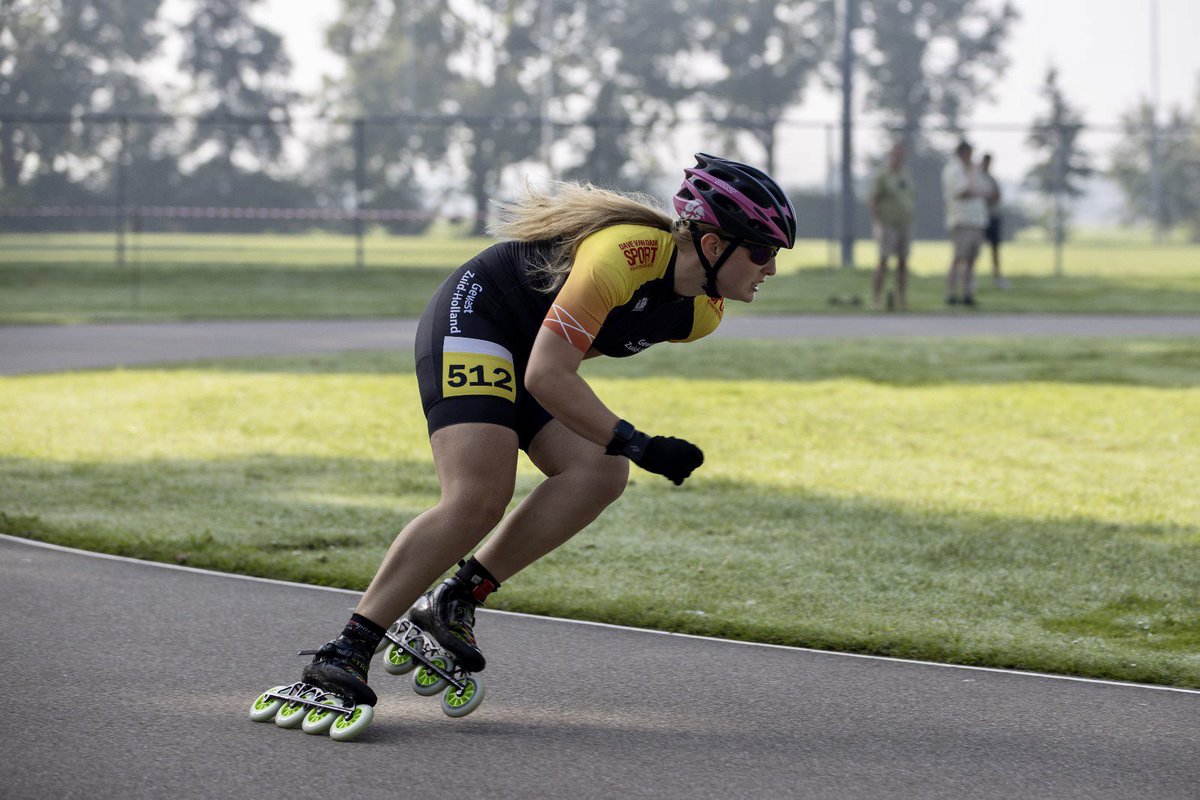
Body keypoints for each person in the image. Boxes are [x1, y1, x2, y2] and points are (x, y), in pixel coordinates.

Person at [296, 153, 798, 709]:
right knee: (479, 495)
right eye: (762, 251)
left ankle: (458, 597)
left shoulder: (701, 315)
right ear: (711, 245)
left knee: (600, 471)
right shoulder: (622, 255)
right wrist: (639, 441)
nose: (770, 268)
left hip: (529, 352)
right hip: (480, 315)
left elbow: (559, 364)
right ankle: (343, 651)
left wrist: (618, 445)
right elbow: (546, 373)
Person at [867, 142, 916, 311]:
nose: (899, 157)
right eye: (896, 153)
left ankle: (902, 300)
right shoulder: (883, 176)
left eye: (901, 153)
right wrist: (879, 222)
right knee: (883, 261)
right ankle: (876, 299)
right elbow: (873, 200)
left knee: (903, 263)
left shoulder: (906, 174)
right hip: (888, 225)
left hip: (904, 224)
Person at [941, 139, 990, 307]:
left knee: (971, 260)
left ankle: (968, 293)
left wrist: (976, 182)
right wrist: (974, 185)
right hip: (961, 220)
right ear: (963, 153)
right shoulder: (954, 170)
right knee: (958, 258)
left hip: (977, 220)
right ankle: (951, 293)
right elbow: (962, 191)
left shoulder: (973, 170)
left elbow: (987, 190)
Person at [980, 153, 1008, 289]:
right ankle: (970, 279)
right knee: (973, 250)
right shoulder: (976, 178)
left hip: (992, 217)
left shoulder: (992, 179)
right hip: (978, 219)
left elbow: (997, 195)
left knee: (995, 249)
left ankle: (997, 277)